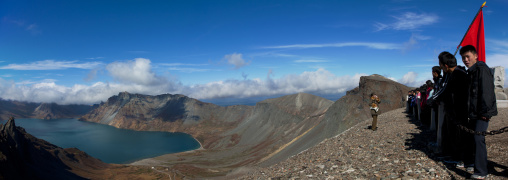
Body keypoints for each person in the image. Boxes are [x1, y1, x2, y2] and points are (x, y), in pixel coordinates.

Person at [461, 45, 498, 179]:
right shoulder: (471, 72)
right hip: (473, 112)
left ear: (475, 56)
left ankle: (481, 171)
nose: (465, 59)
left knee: (478, 139)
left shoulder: (482, 70)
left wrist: (485, 113)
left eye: (467, 56)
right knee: (470, 137)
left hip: (481, 112)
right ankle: (471, 163)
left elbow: (486, 93)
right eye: (463, 57)